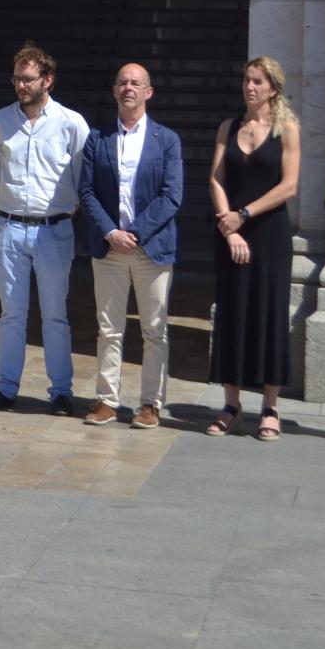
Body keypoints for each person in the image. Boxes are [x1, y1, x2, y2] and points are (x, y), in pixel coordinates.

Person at [0, 41, 89, 414]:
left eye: (28, 79)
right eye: (17, 79)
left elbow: (80, 179)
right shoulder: (0, 120)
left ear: (48, 80)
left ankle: (61, 391)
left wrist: (61, 211)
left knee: (55, 313)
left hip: (53, 230)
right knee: (10, 313)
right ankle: (6, 388)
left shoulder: (71, 124)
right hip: (9, 227)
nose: (21, 86)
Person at [77, 63, 183, 429]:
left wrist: (134, 232)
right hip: (109, 249)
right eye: (122, 82)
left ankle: (151, 403)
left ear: (148, 92)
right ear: (114, 90)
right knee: (109, 328)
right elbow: (86, 191)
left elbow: (172, 196)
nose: (128, 88)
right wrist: (110, 232)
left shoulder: (166, 140)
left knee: (155, 329)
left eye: (136, 83)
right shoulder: (98, 138)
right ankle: (107, 400)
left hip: (151, 248)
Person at [205, 56, 301, 440]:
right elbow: (215, 178)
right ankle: (231, 403)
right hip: (231, 233)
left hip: (270, 234)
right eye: (247, 80)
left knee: (268, 315)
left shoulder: (288, 129)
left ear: (273, 89)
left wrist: (243, 215)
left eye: (258, 81)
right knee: (232, 313)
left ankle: (270, 406)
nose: (250, 87)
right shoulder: (229, 127)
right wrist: (229, 227)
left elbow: (289, 186)